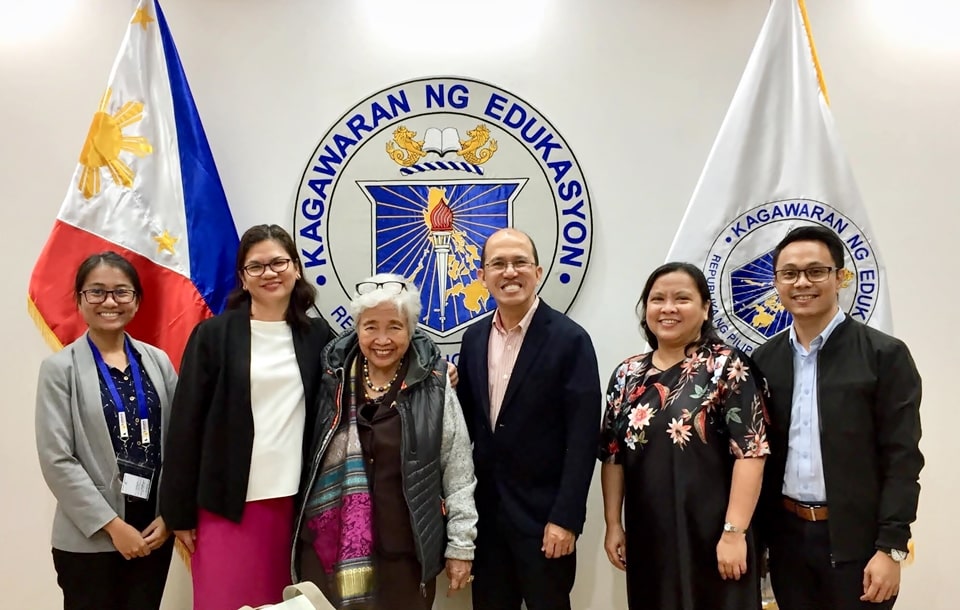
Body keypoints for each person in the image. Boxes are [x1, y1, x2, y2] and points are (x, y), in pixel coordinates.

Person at [159, 224, 337, 610]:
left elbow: (374, 357)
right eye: (256, 266)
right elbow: (185, 423)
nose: (269, 273)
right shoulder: (213, 335)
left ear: (296, 269)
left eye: (278, 262)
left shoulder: (318, 335)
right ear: (242, 277)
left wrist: (441, 369)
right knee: (225, 601)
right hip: (226, 503)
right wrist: (177, 510)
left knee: (283, 604)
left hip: (291, 504)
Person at [753, 225, 923, 610]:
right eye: (789, 273)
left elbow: (902, 459)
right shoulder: (764, 361)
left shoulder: (884, 356)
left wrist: (891, 547)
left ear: (840, 278)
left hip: (859, 545)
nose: (802, 283)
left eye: (816, 271)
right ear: (777, 282)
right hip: (788, 541)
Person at [294, 273, 477, 609]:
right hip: (327, 554)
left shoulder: (435, 388)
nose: (382, 339)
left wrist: (461, 547)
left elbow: (458, 473)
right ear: (356, 328)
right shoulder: (328, 381)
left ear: (411, 329)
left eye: (394, 326)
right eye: (370, 326)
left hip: (405, 560)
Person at [598, 262, 769, 610]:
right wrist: (614, 524)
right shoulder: (628, 374)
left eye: (682, 298)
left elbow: (751, 453)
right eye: (657, 298)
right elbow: (613, 456)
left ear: (705, 308)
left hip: (714, 534)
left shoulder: (727, 367)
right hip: (650, 535)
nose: (668, 308)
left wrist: (734, 534)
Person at [455, 228, 601, 610]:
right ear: (483, 276)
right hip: (486, 520)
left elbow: (583, 439)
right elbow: (466, 429)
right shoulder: (472, 339)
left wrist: (566, 518)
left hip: (545, 521)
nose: (509, 272)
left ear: (537, 272)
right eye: (498, 264)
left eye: (519, 262)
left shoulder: (570, 340)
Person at [35, 252, 178, 610]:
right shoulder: (59, 369)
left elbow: (180, 442)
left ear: (137, 300)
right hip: (92, 537)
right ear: (79, 300)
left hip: (153, 532)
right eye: (96, 292)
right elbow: (57, 459)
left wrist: (170, 515)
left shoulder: (158, 361)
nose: (109, 302)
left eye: (121, 292)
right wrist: (114, 527)